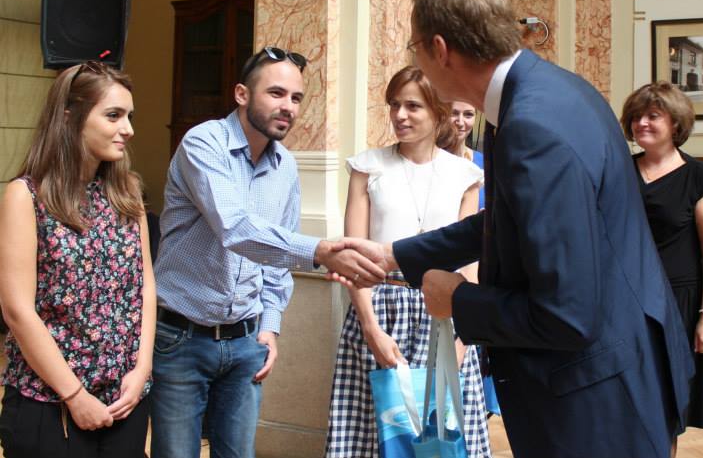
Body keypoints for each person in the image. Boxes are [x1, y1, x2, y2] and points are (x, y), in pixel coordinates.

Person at [340, 0, 695, 458]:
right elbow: (512, 221)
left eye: (413, 47)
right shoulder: (554, 90)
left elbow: (568, 316)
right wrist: (394, 255)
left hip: (593, 396)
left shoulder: (532, 126)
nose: (415, 57)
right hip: (620, 359)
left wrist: (458, 299)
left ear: (440, 50)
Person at [150, 47, 385, 458]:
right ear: (242, 94)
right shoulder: (203, 143)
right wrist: (321, 251)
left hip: (246, 343)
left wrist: (269, 327)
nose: (288, 107)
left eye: (296, 98)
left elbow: (277, 257)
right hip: (181, 339)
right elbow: (235, 227)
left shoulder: (286, 167)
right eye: (276, 93)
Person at [325, 66, 490, 458]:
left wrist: (464, 336)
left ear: (438, 110)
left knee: (442, 438)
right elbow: (355, 260)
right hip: (380, 308)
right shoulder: (367, 167)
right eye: (394, 105)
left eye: (413, 106)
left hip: (444, 314)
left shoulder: (466, 175)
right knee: (375, 436)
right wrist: (371, 329)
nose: (400, 115)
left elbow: (469, 266)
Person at [0, 61, 154, 457]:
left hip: (123, 398)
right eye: (113, 115)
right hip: (50, 403)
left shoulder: (127, 192)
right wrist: (74, 394)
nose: (128, 129)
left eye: (129, 116)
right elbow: (17, 311)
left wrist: (142, 370)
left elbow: (145, 287)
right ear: (69, 118)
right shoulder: (25, 196)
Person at [620, 81, 703, 437]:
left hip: (677, 305)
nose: (641, 123)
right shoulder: (620, 170)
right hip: (625, 300)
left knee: (666, 413)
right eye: (636, 116)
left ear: (676, 123)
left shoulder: (699, 177)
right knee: (623, 405)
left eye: (653, 115)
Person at [448, 100, 484, 202]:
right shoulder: (430, 160)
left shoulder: (484, 162)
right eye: (453, 113)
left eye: (468, 115)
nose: (460, 122)